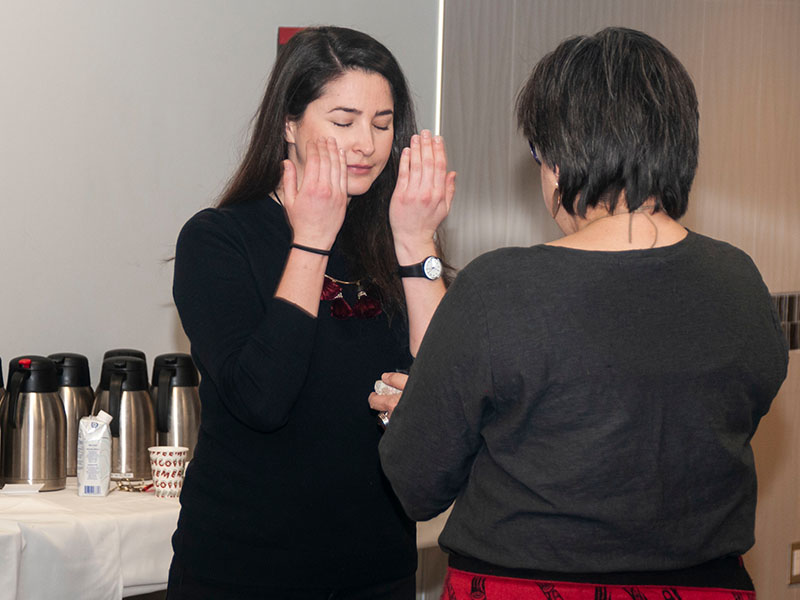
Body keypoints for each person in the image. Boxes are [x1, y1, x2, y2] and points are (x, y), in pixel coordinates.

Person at [379, 27, 788, 599]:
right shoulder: (740, 280)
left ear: (559, 159)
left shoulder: (500, 286)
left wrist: (420, 417)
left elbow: (418, 484)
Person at [169, 26, 455, 599]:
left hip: (377, 569)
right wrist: (312, 241)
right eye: (343, 122)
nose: (367, 145)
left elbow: (449, 400)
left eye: (382, 124)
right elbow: (262, 398)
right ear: (289, 124)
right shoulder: (219, 239)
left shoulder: (395, 241)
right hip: (243, 573)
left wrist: (419, 245)